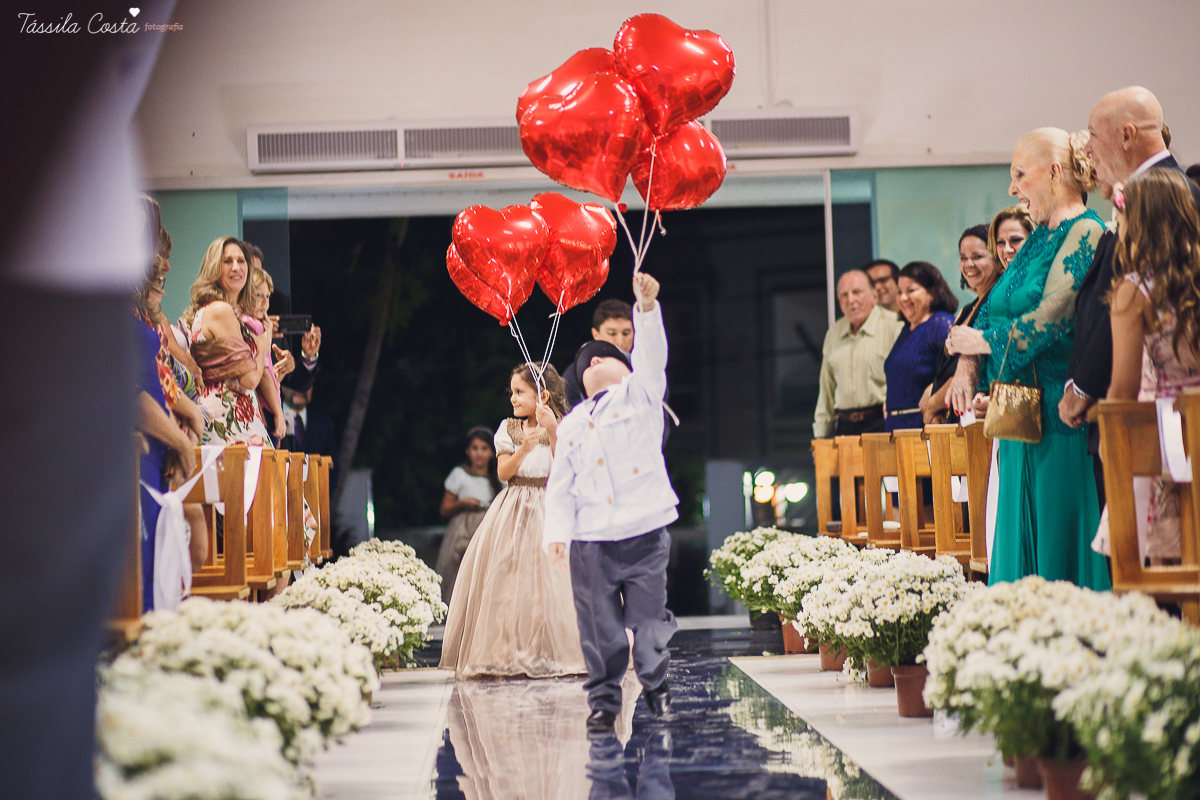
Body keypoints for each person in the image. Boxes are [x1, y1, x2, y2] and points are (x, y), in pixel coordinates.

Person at [946, 127, 1110, 591]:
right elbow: (991, 308)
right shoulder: (1038, 237)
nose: (1012, 188)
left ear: (1055, 172)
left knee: (1056, 536)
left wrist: (982, 345)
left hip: (1058, 410)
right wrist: (968, 362)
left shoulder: (1086, 230)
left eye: (1020, 174)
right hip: (1016, 410)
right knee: (1014, 532)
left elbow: (1053, 315)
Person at [544, 271, 679, 735]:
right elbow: (559, 486)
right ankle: (603, 700)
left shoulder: (642, 399)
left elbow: (653, 358)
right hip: (592, 542)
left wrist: (646, 310)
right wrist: (557, 536)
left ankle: (656, 683)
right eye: (591, 360)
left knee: (647, 622)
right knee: (598, 628)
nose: (599, 361)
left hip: (643, 534)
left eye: (610, 357)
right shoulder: (574, 423)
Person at [1060, 86, 1200, 507]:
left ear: (1126, 134)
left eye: (1093, 135)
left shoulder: (1168, 198)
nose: (1087, 148)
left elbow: (1115, 310)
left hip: (1145, 420)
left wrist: (1085, 388)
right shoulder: (1150, 194)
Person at [439, 362, 585, 679]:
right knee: (511, 579)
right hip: (515, 505)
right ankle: (512, 650)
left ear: (541, 395)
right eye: (513, 393)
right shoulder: (509, 428)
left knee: (554, 580)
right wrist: (524, 449)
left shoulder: (561, 425)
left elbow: (566, 468)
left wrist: (554, 431)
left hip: (550, 505)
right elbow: (504, 473)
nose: (514, 399)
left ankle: (555, 649)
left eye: (520, 392)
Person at [1093, 169, 1200, 563]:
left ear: (1136, 222)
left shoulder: (1135, 290)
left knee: (1167, 559)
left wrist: (1109, 444)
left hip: (1164, 431)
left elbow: (1122, 388)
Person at [181, 237, 282, 446]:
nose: (236, 267)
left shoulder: (229, 313)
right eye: (227, 261)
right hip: (229, 423)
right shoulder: (221, 310)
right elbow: (249, 381)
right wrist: (263, 343)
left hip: (238, 419)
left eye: (241, 260)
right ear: (213, 268)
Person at [924, 228, 1003, 424]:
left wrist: (933, 405)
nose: (969, 264)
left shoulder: (997, 305)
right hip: (951, 417)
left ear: (997, 259)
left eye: (977, 256)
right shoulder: (968, 309)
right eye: (963, 257)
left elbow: (979, 367)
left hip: (977, 416)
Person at [813, 270, 905, 437]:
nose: (851, 300)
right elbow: (826, 388)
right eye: (844, 295)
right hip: (845, 426)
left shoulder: (895, 326)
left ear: (874, 296)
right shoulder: (833, 333)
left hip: (882, 422)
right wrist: (821, 435)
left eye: (857, 292)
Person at [883, 262, 956, 431]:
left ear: (931, 292)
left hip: (924, 426)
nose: (903, 298)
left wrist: (934, 393)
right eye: (899, 292)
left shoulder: (940, 324)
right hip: (895, 427)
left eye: (911, 290)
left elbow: (959, 370)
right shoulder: (905, 330)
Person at [435, 426, 503, 604]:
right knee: (459, 571)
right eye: (474, 448)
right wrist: (462, 503)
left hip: (488, 529)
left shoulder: (499, 479)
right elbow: (444, 508)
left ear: (492, 452)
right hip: (462, 531)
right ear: (467, 451)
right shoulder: (459, 475)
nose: (479, 453)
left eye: (484, 448)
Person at [240, 264, 291, 443]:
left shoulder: (243, 320)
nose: (265, 302)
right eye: (258, 295)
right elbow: (262, 375)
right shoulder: (254, 325)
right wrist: (278, 413)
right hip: (266, 409)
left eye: (267, 296)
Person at [564, 299, 635, 408]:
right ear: (595, 334)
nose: (619, 341)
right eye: (612, 333)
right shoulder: (574, 375)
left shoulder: (647, 370)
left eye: (626, 333)